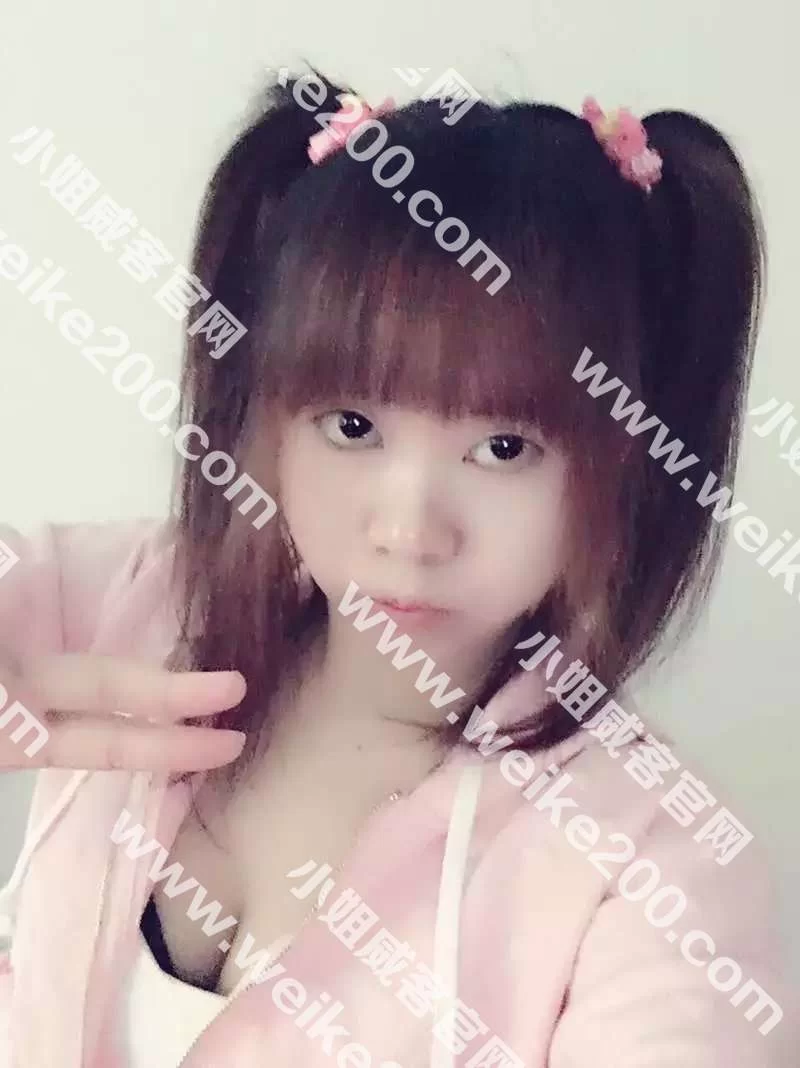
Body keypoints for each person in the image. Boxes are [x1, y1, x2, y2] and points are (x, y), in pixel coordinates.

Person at [0, 70, 795, 1067]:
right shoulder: (133, 602)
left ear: (625, 464)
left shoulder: (655, 869)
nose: (409, 532)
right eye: (352, 426)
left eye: (503, 448)